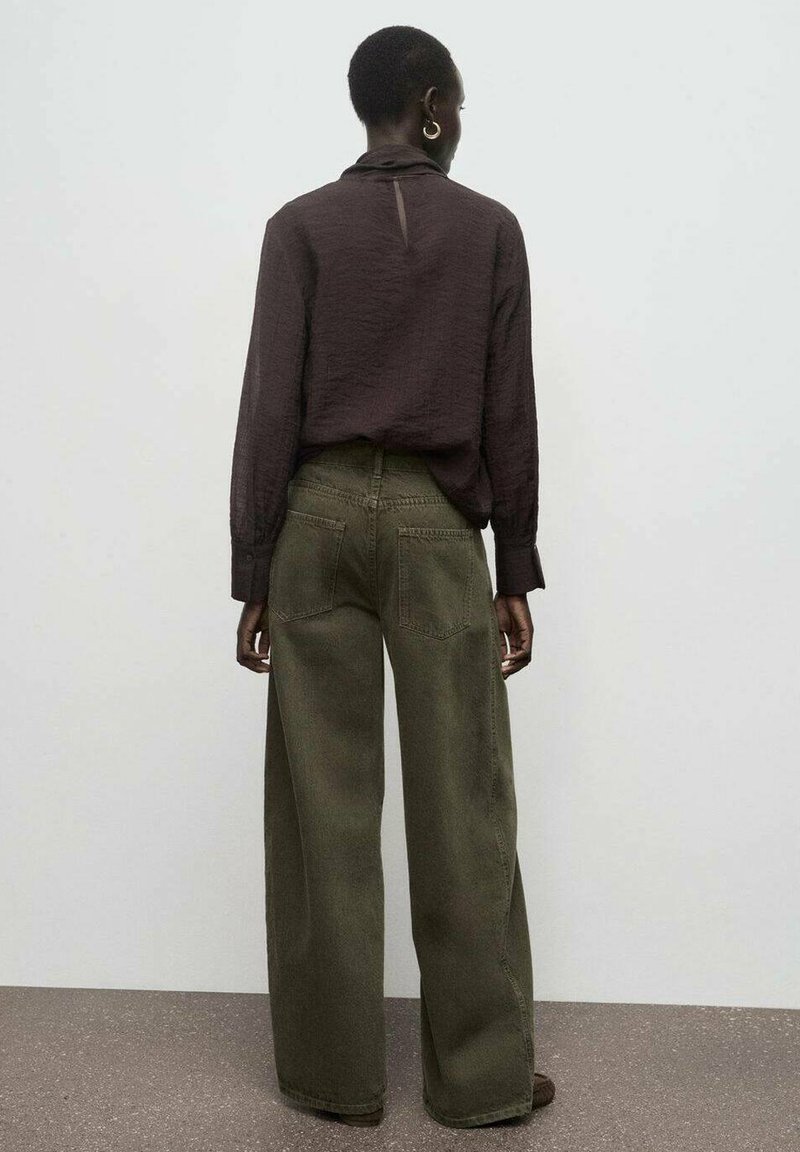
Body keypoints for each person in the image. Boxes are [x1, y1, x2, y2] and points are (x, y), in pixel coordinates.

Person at [228, 24, 554, 1130]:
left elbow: (269, 402)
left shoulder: (298, 228)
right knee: (465, 803)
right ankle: (481, 1081)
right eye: (455, 104)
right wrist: (513, 563)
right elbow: (507, 410)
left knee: (321, 810)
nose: (458, 123)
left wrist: (253, 566)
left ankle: (335, 1079)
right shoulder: (490, 231)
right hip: (434, 523)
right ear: (429, 106)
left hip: (314, 519)